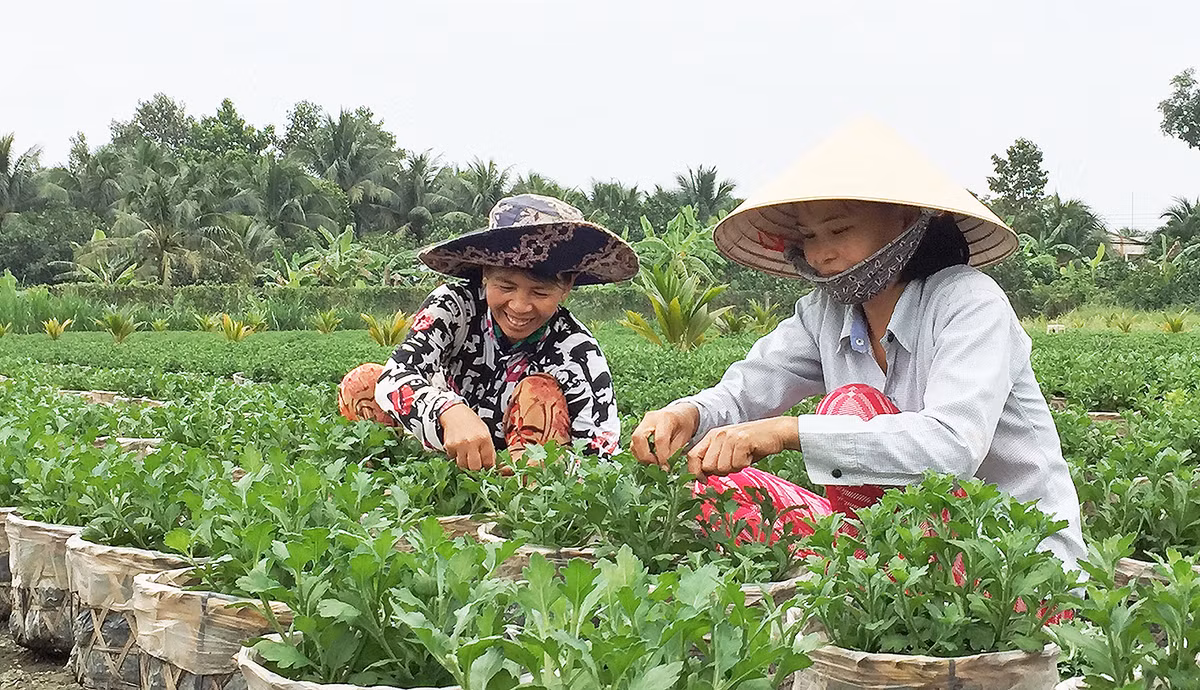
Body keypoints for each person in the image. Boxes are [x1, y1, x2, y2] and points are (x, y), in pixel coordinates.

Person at [630, 118, 1085, 568]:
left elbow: (951, 449)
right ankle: (867, 578)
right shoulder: (824, 312)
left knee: (852, 404)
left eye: (839, 230)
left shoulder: (968, 301)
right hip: (890, 548)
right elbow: (749, 388)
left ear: (905, 220)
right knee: (709, 484)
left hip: (1008, 559)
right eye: (809, 237)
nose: (820, 254)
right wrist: (687, 413)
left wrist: (788, 432)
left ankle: (874, 578)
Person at [338, 194, 639, 471]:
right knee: (362, 384)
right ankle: (389, 477)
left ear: (566, 288)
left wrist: (551, 469)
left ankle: (525, 502)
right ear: (484, 273)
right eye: (505, 287)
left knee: (540, 395)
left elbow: (603, 460)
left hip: (518, 476)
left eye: (540, 292)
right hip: (441, 448)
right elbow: (397, 375)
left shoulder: (577, 350)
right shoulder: (453, 306)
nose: (520, 306)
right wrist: (447, 410)